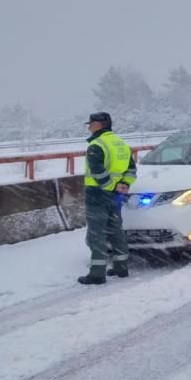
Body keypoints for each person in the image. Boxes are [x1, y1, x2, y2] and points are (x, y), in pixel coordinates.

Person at [78, 112, 136, 285]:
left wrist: (111, 186)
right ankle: (121, 268)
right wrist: (124, 184)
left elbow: (97, 172)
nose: (89, 127)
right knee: (116, 230)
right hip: (116, 196)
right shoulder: (121, 144)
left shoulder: (96, 145)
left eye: (91, 124)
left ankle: (97, 274)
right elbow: (131, 169)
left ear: (98, 125)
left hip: (97, 194)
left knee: (97, 234)